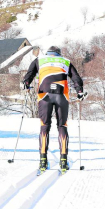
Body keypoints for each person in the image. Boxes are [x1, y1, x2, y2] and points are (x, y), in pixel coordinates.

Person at [22, 46, 85, 174]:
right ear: (59, 54)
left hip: (44, 95)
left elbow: (29, 75)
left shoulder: (39, 60)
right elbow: (76, 78)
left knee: (44, 126)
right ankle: (63, 161)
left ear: (48, 53)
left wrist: (26, 83)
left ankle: (43, 161)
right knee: (62, 126)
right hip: (61, 95)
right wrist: (79, 91)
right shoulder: (65, 61)